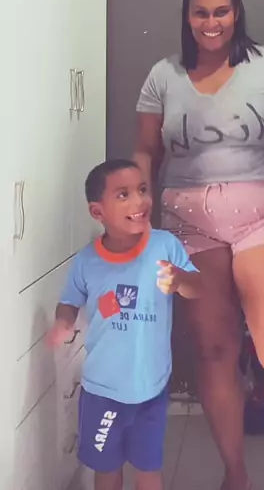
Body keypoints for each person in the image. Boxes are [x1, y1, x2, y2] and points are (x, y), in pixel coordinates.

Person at [134, 0, 264, 490]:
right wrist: (138, 211)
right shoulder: (163, 75)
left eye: (221, 11)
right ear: (188, 18)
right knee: (214, 351)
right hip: (190, 223)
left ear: (237, 13)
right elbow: (146, 151)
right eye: (201, 13)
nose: (212, 22)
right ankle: (236, 475)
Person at [47, 158, 201, 490]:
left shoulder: (165, 246)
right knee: (106, 470)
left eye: (142, 190)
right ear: (97, 212)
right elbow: (69, 300)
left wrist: (180, 280)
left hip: (151, 389)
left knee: (149, 469)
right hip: (103, 391)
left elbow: (198, 287)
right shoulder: (87, 261)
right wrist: (63, 322)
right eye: (123, 194)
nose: (139, 201)